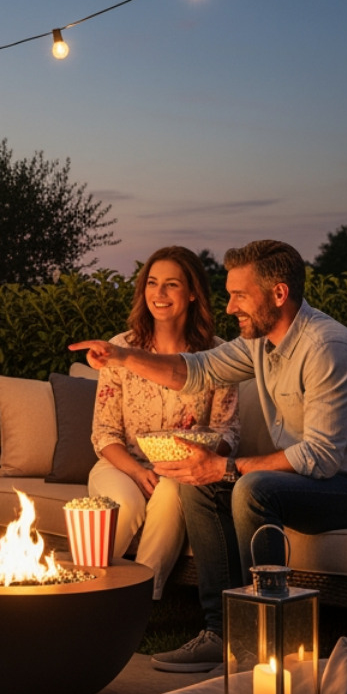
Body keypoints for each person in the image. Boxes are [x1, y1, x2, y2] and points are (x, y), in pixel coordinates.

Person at [72, 239, 347, 672]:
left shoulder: (327, 348)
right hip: (318, 482)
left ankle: (265, 637)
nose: (230, 307)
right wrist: (121, 356)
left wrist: (227, 466)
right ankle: (219, 632)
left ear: (279, 294)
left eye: (239, 296)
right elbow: (193, 371)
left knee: (250, 487)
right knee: (200, 482)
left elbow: (322, 457)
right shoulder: (260, 344)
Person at [88, 246, 239, 599]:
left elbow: (228, 432)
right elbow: (104, 433)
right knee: (122, 505)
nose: (159, 293)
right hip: (122, 466)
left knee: (172, 493)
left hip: (181, 472)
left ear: (191, 293)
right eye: (152, 283)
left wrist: (198, 449)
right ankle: (87, 593)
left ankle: (140, 601)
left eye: (171, 284)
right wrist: (138, 473)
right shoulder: (119, 348)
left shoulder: (218, 356)